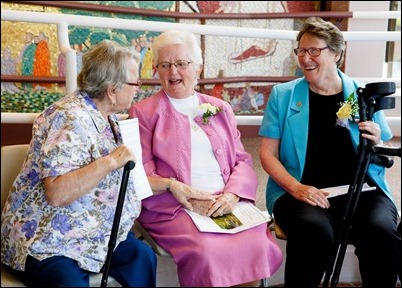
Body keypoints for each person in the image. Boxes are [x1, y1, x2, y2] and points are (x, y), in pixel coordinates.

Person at [129, 29, 283, 287]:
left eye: (181, 63)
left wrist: (232, 195)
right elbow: (142, 174)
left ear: (198, 68)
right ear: (156, 70)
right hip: (175, 207)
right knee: (207, 252)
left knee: (254, 241)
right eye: (165, 65)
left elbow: (241, 161)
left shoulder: (219, 108)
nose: (173, 72)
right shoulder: (144, 112)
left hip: (225, 201)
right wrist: (185, 195)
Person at [1, 39, 157, 287]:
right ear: (112, 89)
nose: (138, 88)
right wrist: (110, 162)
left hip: (95, 234)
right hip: (49, 238)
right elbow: (57, 193)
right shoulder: (68, 117)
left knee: (142, 256)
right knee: (68, 282)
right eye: (134, 82)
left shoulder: (109, 117)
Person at [259, 17, 400, 287]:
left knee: (381, 232)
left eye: (314, 50)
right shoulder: (283, 95)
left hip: (361, 190)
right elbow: (266, 155)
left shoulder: (362, 94)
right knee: (314, 231)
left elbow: (386, 151)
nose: (305, 58)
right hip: (302, 192)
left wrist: (378, 138)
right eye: (301, 50)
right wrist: (297, 188)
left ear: (336, 54)